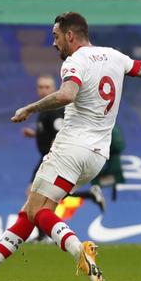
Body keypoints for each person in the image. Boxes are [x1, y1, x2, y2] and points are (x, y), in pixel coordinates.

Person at [0, 11, 141, 281]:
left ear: (70, 35)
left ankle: (78, 249)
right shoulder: (115, 56)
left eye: (56, 36)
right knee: (35, 210)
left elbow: (66, 95)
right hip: (96, 157)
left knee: (36, 211)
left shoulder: (75, 61)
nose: (53, 43)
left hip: (71, 147)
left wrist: (30, 108)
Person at [22, 74, 108, 243]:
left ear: (54, 88)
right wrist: (34, 134)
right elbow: (47, 132)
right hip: (46, 156)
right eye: (41, 87)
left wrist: (54, 157)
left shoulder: (55, 109)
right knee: (45, 196)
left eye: (47, 87)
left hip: (53, 158)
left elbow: (59, 134)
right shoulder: (45, 108)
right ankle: (89, 195)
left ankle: (43, 236)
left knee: (37, 195)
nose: (43, 90)